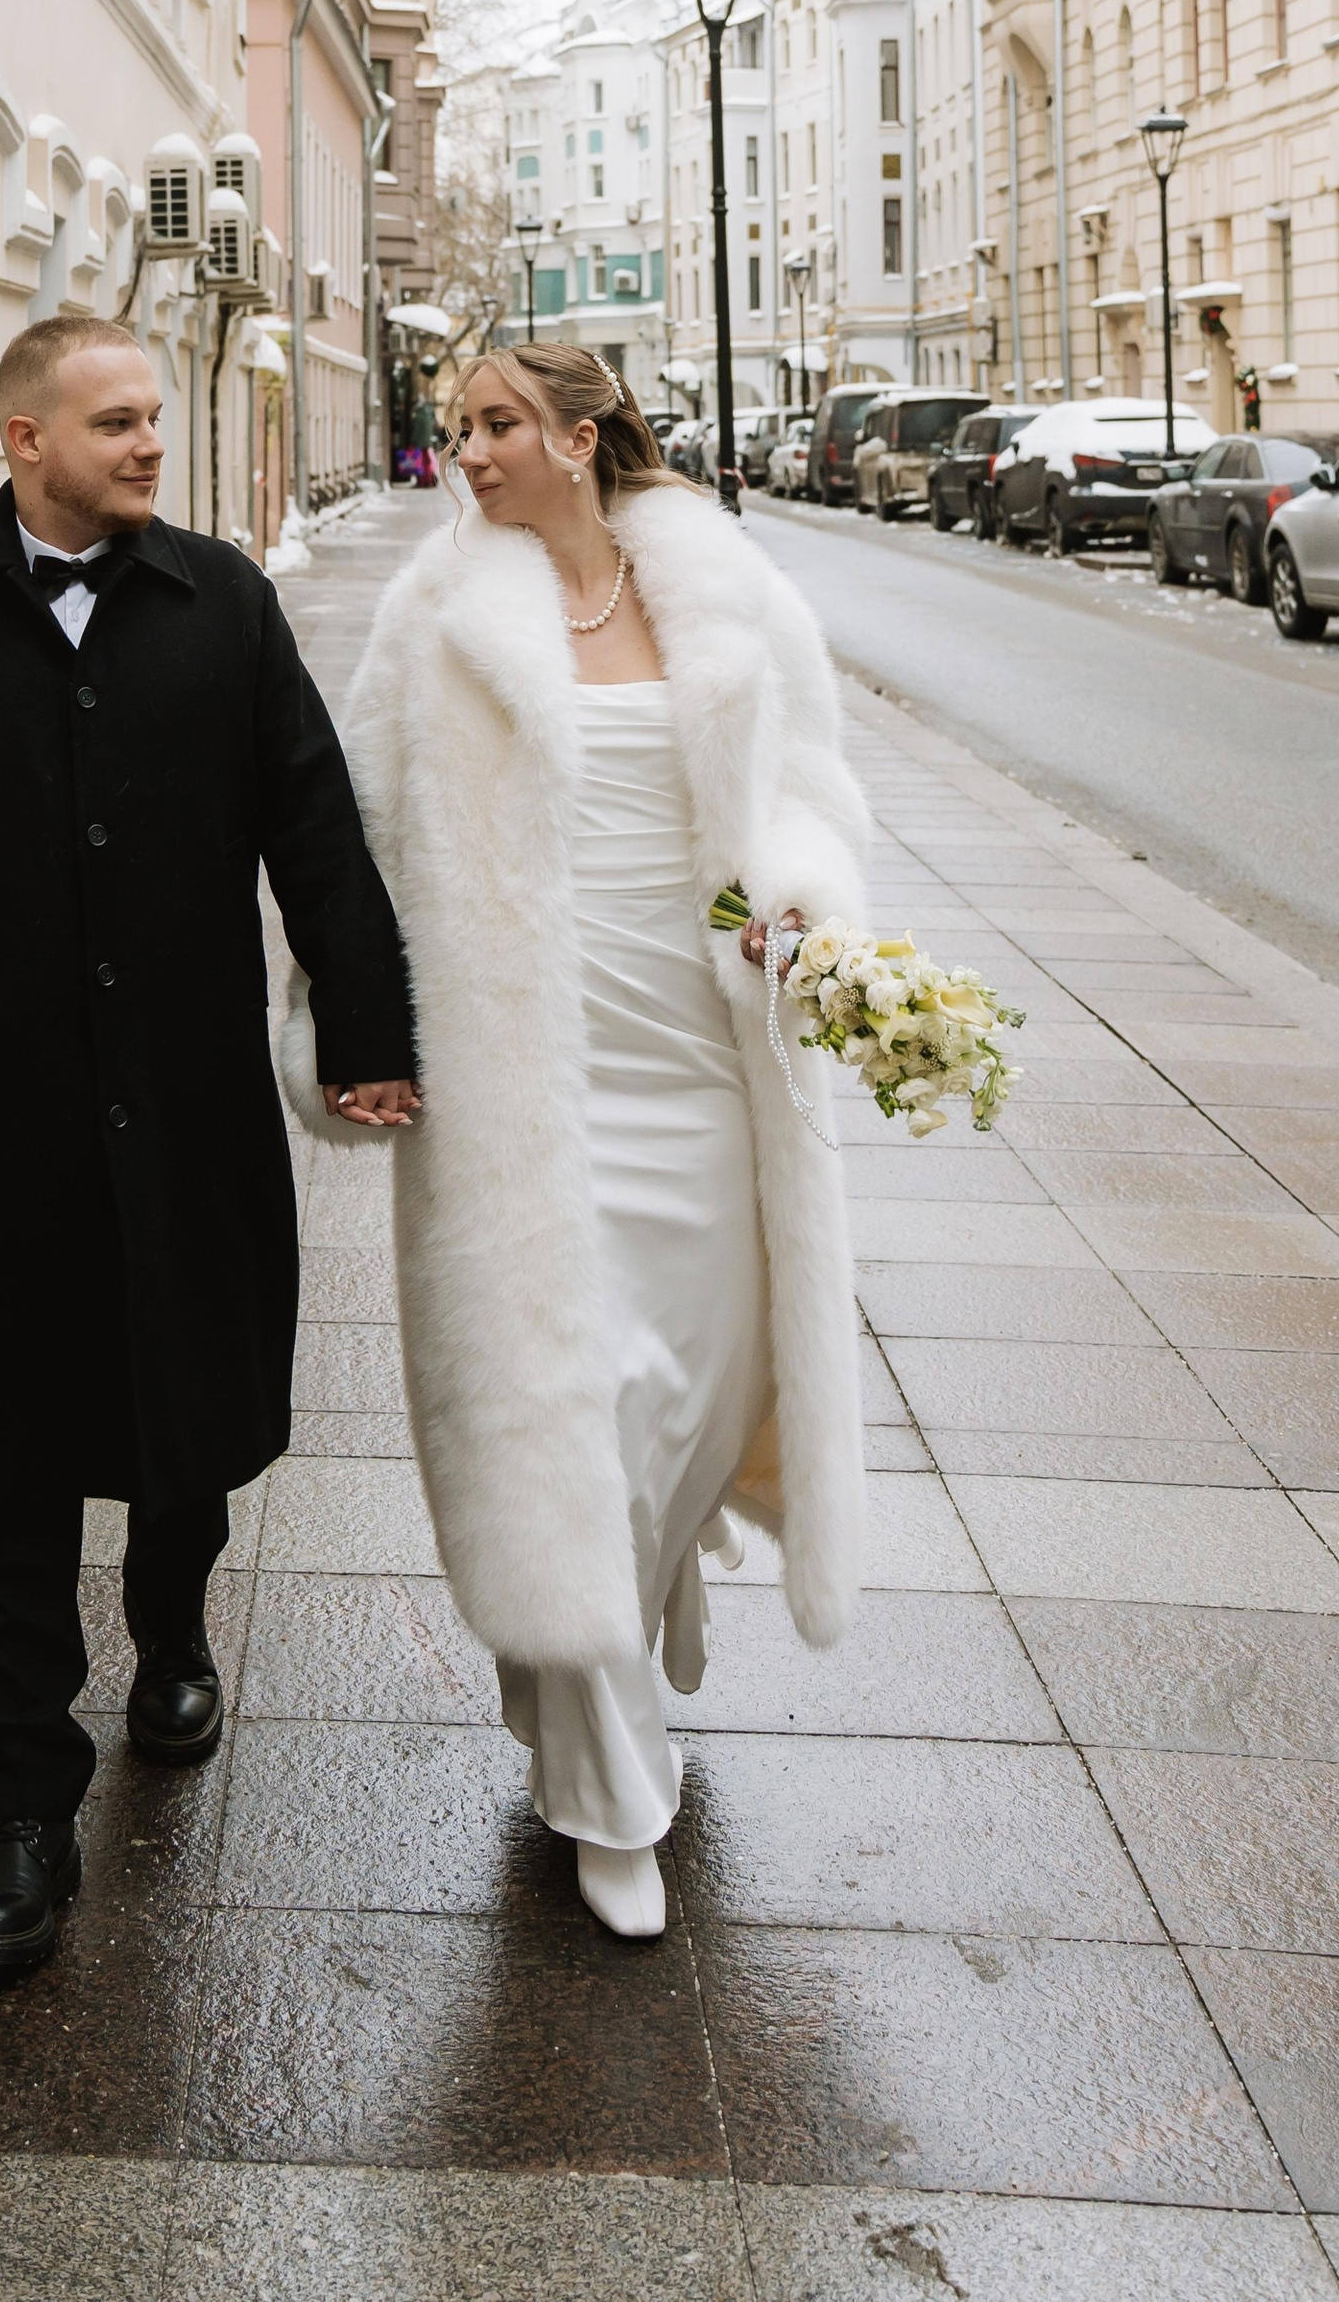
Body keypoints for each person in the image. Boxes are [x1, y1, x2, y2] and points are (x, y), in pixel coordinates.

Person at [0, 315, 417, 1983]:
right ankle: (21, 1806)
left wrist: (367, 1029)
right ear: (27, 442)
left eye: (152, 417)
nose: (150, 443)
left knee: (183, 1401)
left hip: (192, 1097)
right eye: (116, 421)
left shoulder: (224, 605)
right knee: (6, 1450)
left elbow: (312, 821)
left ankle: (173, 1620)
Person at [300, 342, 866, 1941]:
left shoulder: (728, 598)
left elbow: (813, 802)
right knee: (579, 1422)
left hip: (702, 1065)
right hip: (526, 1083)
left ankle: (616, 1614)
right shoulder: (437, 618)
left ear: (581, 431)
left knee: (696, 1402)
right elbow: (357, 837)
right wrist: (346, 1031)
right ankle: (612, 1794)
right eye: (457, 429)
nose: (467, 453)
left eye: (495, 425)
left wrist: (797, 909)